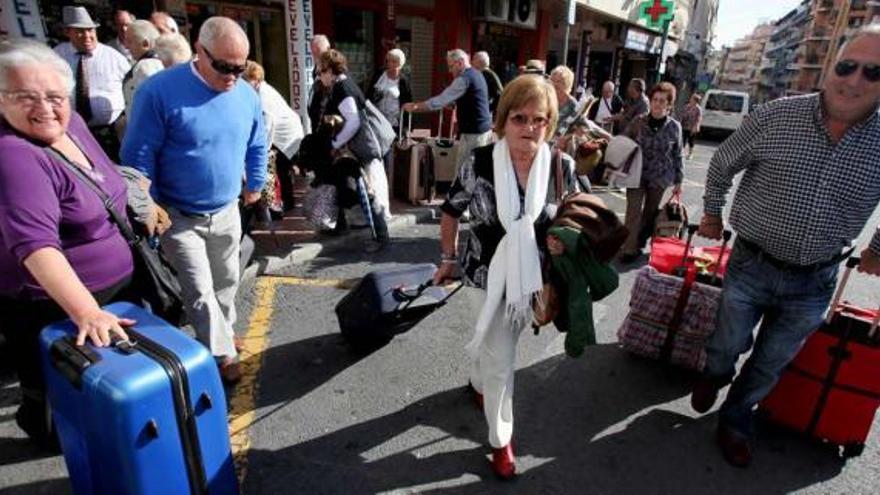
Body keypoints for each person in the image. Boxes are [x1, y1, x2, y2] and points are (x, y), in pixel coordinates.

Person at [690, 24, 880, 468]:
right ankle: (714, 374)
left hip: (815, 280)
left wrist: (877, 250)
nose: (855, 80)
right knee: (727, 343)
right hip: (751, 264)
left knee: (771, 362)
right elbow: (720, 163)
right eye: (848, 66)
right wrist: (713, 214)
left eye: (873, 72)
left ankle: (736, 419)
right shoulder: (777, 115)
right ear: (832, 65)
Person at [432, 75, 580, 479]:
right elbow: (450, 211)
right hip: (483, 273)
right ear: (502, 120)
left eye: (539, 119)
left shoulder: (561, 167)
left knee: (499, 348)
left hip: (533, 280)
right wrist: (447, 257)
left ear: (550, 124)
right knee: (503, 360)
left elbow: (572, 220)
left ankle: (479, 385)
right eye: (519, 118)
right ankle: (502, 440)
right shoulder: (479, 162)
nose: (529, 128)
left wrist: (562, 242)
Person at [0, 39, 140, 448]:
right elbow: (36, 247)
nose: (44, 107)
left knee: (104, 383)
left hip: (111, 291)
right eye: (25, 97)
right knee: (54, 393)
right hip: (52, 305)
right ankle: (55, 440)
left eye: (53, 96)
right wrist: (86, 311)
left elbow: (104, 179)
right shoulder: (13, 155)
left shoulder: (72, 123)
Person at [121, 16, 268, 385]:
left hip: (227, 209)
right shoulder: (158, 92)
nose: (232, 76)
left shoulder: (245, 95)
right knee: (199, 290)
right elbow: (138, 156)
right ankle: (220, 355)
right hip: (177, 215)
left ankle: (223, 332)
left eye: (240, 67)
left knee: (227, 282)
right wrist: (148, 205)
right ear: (199, 51)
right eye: (223, 67)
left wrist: (257, 181)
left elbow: (257, 142)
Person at [315, 49, 391, 252]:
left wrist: (335, 143)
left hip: (362, 148)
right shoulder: (344, 84)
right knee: (364, 191)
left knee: (369, 193)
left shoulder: (343, 88)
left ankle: (381, 238)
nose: (319, 75)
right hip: (361, 147)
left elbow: (354, 122)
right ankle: (373, 234)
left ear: (330, 70)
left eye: (321, 71)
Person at [53, 5, 129, 161]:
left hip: (111, 132)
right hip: (72, 131)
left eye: (90, 30)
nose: (87, 35)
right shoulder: (57, 55)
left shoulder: (113, 56)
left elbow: (131, 87)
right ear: (68, 32)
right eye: (80, 31)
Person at [618, 82, 684, 264]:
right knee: (633, 210)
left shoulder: (674, 127)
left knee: (649, 213)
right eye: (655, 99)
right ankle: (629, 249)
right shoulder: (639, 121)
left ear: (669, 105)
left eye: (662, 101)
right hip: (636, 174)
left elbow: (678, 154)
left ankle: (639, 240)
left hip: (660, 177)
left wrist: (679, 181)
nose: (657, 104)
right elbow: (624, 139)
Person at [403, 49, 493, 177]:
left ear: (460, 63)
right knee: (473, 173)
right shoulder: (476, 74)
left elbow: (440, 100)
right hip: (481, 131)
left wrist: (416, 107)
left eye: (451, 66)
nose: (450, 71)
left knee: (464, 175)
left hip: (474, 134)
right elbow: (469, 99)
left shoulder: (464, 79)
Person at [243, 60, 304, 214]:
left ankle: (279, 208)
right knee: (283, 172)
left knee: (278, 171)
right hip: (288, 133)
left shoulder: (263, 96)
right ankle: (285, 206)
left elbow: (267, 126)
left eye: (246, 80)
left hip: (286, 137)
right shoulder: (260, 90)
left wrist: (263, 151)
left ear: (255, 80)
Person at [118, 20, 163, 138]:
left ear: (145, 44)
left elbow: (151, 106)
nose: (126, 46)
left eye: (130, 41)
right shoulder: (161, 62)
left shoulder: (145, 66)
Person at [366, 48, 412, 132]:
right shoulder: (379, 74)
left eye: (394, 62)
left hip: (393, 122)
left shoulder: (403, 81)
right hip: (376, 119)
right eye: (388, 61)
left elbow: (407, 103)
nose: (390, 64)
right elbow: (369, 93)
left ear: (400, 64)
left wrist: (407, 127)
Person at [307, 34, 331, 132]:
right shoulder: (317, 67)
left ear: (328, 49)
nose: (316, 56)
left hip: (325, 120)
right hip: (315, 120)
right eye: (313, 52)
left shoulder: (332, 69)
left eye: (318, 51)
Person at [679, 93, 702, 160]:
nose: (690, 99)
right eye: (691, 98)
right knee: (682, 140)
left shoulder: (698, 109)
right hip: (684, 126)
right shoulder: (687, 106)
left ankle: (690, 154)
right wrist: (679, 123)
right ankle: (681, 153)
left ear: (695, 101)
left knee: (691, 141)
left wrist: (696, 127)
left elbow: (699, 118)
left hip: (692, 127)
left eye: (692, 99)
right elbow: (682, 115)